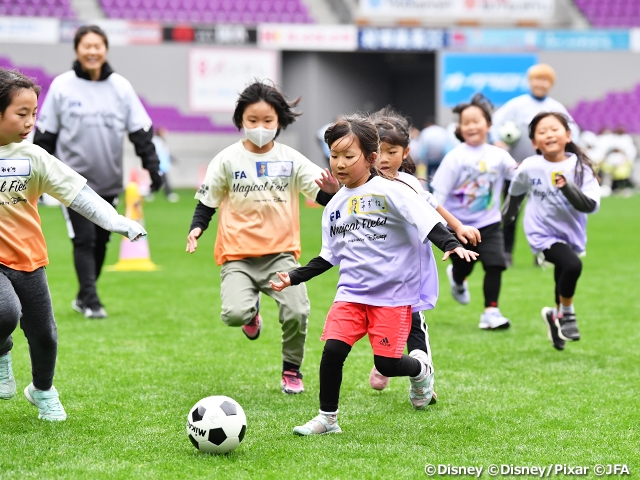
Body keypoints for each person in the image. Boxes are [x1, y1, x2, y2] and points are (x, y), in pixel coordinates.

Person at [269, 115, 478, 436]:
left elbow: (426, 220)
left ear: (371, 157)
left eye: (348, 156)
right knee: (333, 351)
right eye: (334, 155)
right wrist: (294, 277)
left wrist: (450, 243)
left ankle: (421, 369)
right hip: (351, 294)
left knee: (387, 365)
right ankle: (327, 419)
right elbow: (328, 257)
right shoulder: (334, 206)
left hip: (392, 297)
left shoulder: (390, 190)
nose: (339, 163)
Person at [0, 68, 146, 420]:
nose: (30, 122)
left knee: (45, 335)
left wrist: (118, 222)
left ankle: (42, 390)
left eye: (34, 114)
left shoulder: (33, 157)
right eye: (22, 114)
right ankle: (3, 351)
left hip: (29, 259)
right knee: (5, 312)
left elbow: (78, 194)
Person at [186, 81, 340, 395]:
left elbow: (322, 195)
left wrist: (333, 192)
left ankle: (291, 369)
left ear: (279, 122)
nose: (260, 127)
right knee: (234, 315)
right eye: (252, 120)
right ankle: (252, 312)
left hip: (280, 255)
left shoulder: (292, 160)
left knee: (297, 311)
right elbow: (207, 200)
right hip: (238, 256)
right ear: (240, 120)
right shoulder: (226, 160)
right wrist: (197, 228)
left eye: (267, 121)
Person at [33, 25, 162, 319]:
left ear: (105, 49)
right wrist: (37, 178)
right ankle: (91, 301)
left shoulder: (121, 87)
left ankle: (83, 295)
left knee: (103, 239)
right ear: (77, 49)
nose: (92, 51)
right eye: (86, 46)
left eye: (97, 46)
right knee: (84, 239)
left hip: (108, 180)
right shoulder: (63, 86)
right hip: (72, 182)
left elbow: (140, 132)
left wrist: (153, 168)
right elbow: (45, 136)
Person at [367, 107, 481, 393]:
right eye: (378, 151)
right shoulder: (362, 185)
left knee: (413, 318)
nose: (384, 158)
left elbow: (432, 205)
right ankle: (386, 359)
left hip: (409, 268)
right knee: (377, 316)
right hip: (376, 267)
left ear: (405, 153)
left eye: (391, 151)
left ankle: (422, 381)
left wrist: (458, 227)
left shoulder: (407, 183)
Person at [503, 112, 600, 351]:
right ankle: (567, 314)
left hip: (571, 233)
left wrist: (567, 187)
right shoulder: (530, 166)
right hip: (541, 233)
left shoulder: (580, 168)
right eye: (542, 131)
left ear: (567, 135)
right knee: (572, 266)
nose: (549, 134)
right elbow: (514, 198)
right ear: (535, 143)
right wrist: (501, 224)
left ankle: (554, 317)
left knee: (564, 269)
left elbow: (588, 205)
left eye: (554, 129)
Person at [431, 94, 517, 330]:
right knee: (464, 266)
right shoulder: (454, 157)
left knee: (495, 264)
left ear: (489, 125)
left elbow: (517, 175)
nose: (471, 126)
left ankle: (491, 311)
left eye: (476, 121)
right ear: (459, 128)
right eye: (465, 122)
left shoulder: (499, 155)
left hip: (489, 224)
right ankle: (457, 278)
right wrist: (439, 225)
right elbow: (438, 194)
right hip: (458, 226)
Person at [491, 64, 580, 266]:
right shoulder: (516, 105)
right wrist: (498, 141)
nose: (540, 84)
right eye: (536, 79)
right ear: (530, 82)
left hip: (545, 170)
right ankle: (506, 252)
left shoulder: (556, 108)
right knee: (511, 211)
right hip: (516, 170)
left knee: (544, 212)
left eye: (545, 80)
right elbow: (495, 125)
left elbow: (574, 132)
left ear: (551, 84)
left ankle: (543, 253)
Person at [152, 126, 179, 202]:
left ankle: (151, 192)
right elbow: (156, 152)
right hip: (159, 164)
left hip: (163, 164)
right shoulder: (156, 141)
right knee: (163, 180)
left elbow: (166, 153)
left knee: (158, 179)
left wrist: (172, 159)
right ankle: (168, 193)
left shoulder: (162, 141)